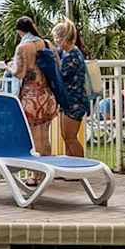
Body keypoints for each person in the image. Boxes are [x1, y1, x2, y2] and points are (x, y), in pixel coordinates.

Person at [9, 14, 55, 151]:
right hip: (48, 97)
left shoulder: (22, 47)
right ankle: (49, 170)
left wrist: (9, 67)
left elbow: (20, 73)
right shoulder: (47, 43)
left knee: (35, 138)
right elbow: (56, 65)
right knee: (45, 137)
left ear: (19, 31)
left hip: (31, 99)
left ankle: (38, 173)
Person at [49, 19, 95, 155]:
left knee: (71, 138)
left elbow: (59, 75)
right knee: (66, 137)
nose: (55, 41)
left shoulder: (72, 56)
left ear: (62, 38)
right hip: (69, 101)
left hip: (75, 101)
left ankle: (80, 169)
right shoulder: (67, 52)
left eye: (56, 38)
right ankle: (72, 170)